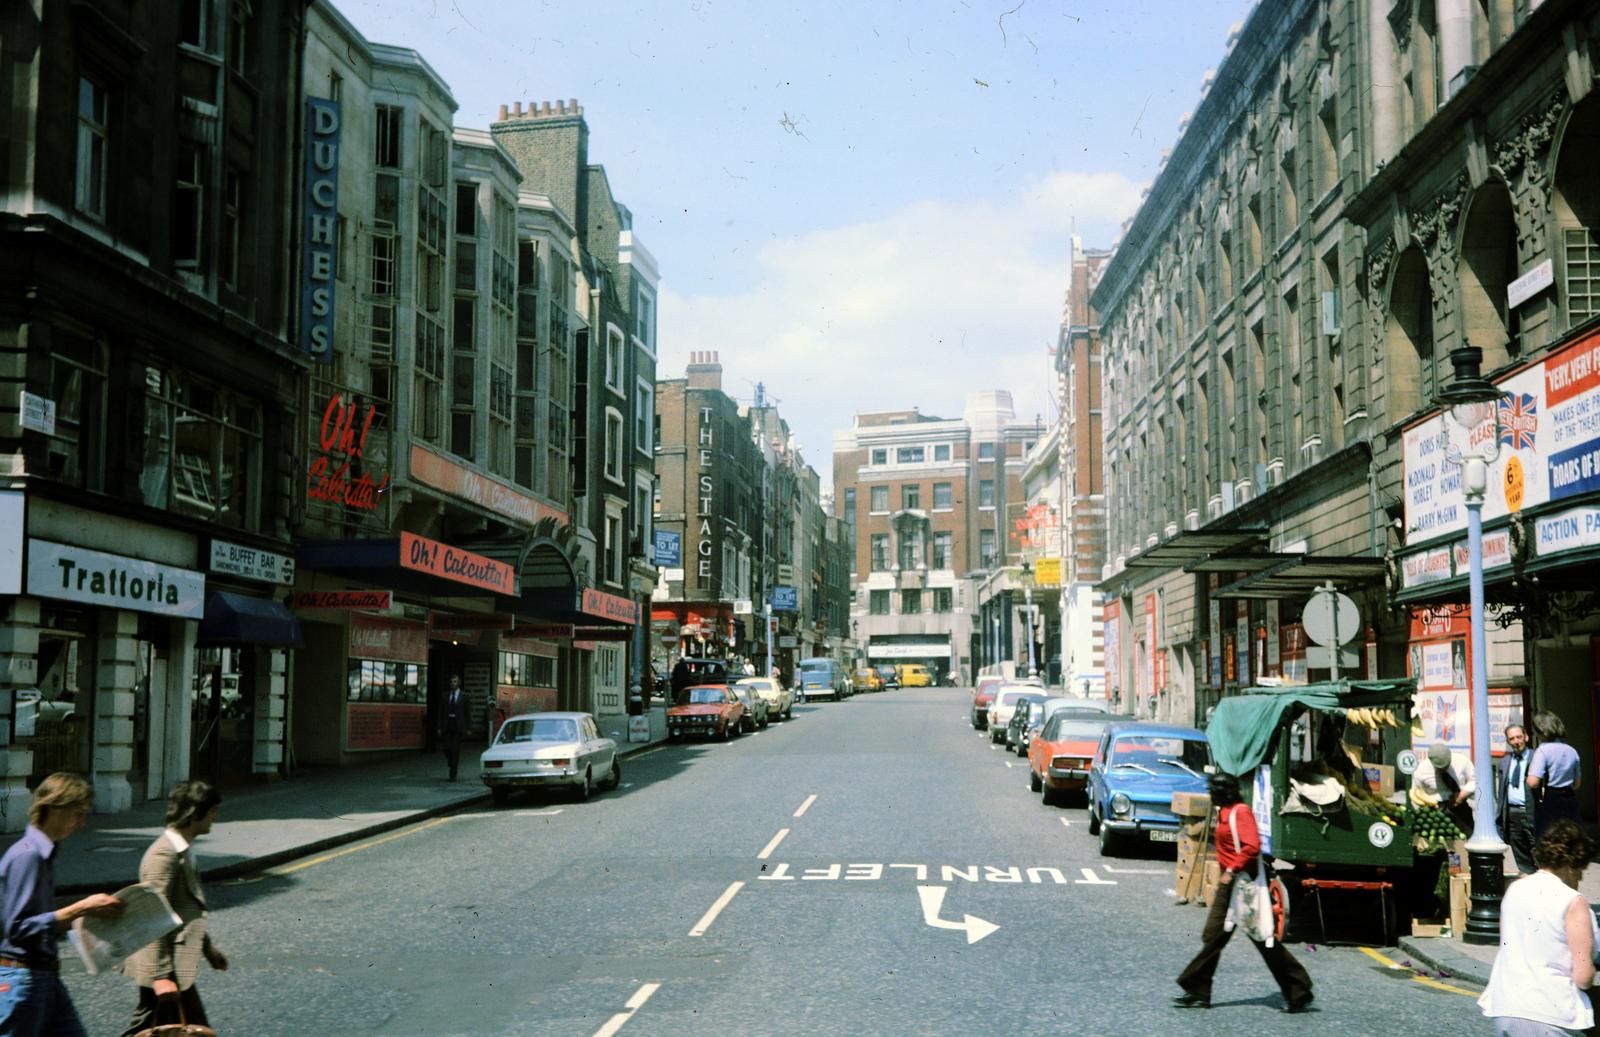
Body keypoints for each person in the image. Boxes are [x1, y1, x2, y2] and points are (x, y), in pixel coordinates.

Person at [1174, 773, 1314, 1014]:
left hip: (1243, 884)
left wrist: (1231, 869)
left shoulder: (1241, 812)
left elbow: (1252, 845)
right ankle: (1198, 988)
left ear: (1223, 792)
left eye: (1214, 790)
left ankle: (1298, 991)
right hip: (1229, 884)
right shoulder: (1224, 811)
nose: (1210, 794)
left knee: (1262, 938)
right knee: (1213, 935)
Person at [0, 773, 125, 1036]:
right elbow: (19, 929)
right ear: (54, 807)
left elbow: (43, 921)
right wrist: (81, 908)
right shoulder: (29, 856)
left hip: (42, 976)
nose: (81, 822)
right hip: (23, 979)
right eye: (76, 813)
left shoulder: (41, 852)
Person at [121, 780, 229, 1037]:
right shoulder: (164, 855)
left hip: (176, 964)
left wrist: (207, 948)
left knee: (172, 1029)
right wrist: (160, 976)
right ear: (195, 813)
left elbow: (184, 908)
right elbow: (150, 916)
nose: (216, 817)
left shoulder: (182, 848)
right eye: (212, 811)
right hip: (163, 967)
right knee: (178, 1029)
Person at [1479, 820, 1597, 1035]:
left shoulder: (1515, 890)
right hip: (1548, 1013)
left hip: (1505, 1007)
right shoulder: (1572, 901)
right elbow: (1583, 976)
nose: (1580, 877)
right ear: (1571, 864)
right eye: (1581, 869)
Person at [1527, 710, 1581, 838]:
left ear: (1540, 730)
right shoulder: (1571, 750)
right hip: (1570, 798)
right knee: (1570, 837)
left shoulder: (1542, 751)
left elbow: (1533, 782)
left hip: (1552, 799)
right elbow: (1577, 784)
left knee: (1550, 838)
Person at [1495, 724, 1536, 875]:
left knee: (1537, 849)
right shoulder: (1505, 762)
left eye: (1519, 737)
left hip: (1531, 812)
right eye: (1512, 738)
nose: (1516, 741)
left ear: (1526, 737)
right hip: (1512, 813)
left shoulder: (1536, 757)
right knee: (1520, 853)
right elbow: (1501, 793)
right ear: (1508, 741)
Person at [1412, 743, 1476, 832]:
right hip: (1435, 811)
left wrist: (1462, 795)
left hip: (1460, 807)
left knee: (1468, 836)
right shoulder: (1421, 771)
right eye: (1440, 768)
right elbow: (1416, 792)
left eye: (1447, 765)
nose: (1444, 769)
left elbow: (1475, 780)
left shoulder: (1462, 761)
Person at [439, 675, 467, 781]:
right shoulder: (445, 696)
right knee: (446, 748)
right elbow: (441, 712)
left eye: (455, 681)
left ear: (459, 683)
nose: (452, 683)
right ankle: (450, 762)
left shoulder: (464, 696)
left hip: (458, 726)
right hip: (447, 725)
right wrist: (439, 726)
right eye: (451, 682)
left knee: (455, 750)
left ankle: (453, 773)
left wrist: (468, 728)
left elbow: (467, 713)